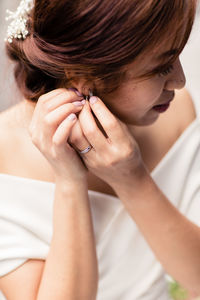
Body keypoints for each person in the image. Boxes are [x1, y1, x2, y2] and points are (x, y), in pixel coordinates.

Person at [0, 0, 199, 299]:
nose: (180, 81)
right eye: (161, 67)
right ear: (84, 78)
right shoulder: (4, 159)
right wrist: (69, 181)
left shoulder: (177, 115)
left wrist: (132, 178)